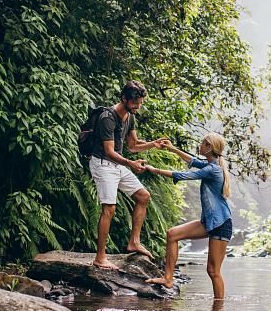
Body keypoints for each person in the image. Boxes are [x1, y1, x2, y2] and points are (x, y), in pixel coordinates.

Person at [145, 133, 232, 299]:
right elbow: (192, 161)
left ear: (210, 147)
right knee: (172, 234)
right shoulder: (210, 165)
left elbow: (183, 175)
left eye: (203, 143)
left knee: (213, 271)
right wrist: (171, 148)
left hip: (221, 224)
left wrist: (153, 169)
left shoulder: (213, 169)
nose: (200, 145)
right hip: (208, 222)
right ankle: (168, 278)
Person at [89, 80, 163, 270]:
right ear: (124, 98)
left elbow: (133, 145)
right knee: (109, 209)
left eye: (140, 103)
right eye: (134, 103)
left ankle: (134, 242)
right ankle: (100, 258)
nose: (137, 106)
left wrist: (153, 143)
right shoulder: (108, 117)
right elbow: (109, 151)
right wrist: (130, 163)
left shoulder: (130, 117)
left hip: (117, 164)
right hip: (103, 164)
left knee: (143, 196)